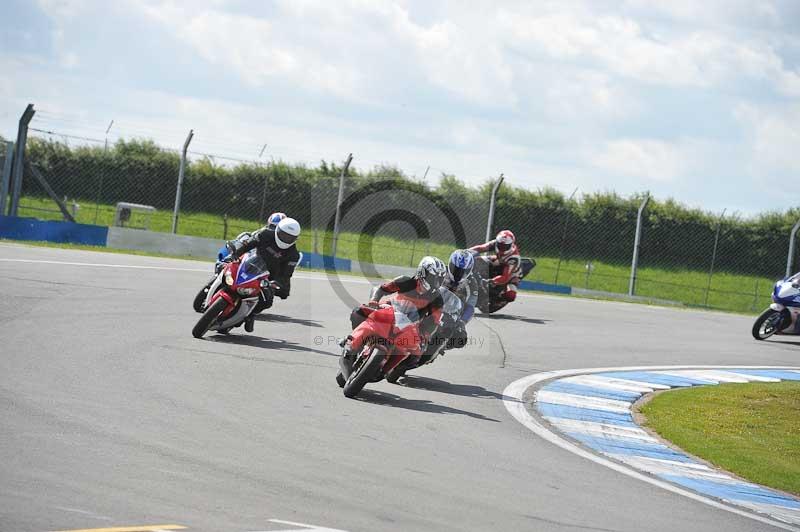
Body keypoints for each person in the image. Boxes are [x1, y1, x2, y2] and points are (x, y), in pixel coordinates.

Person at [342, 256, 447, 366]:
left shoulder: (437, 299)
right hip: (388, 312)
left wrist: (425, 334)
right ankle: (353, 343)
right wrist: (374, 301)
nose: (435, 282)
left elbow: (434, 320)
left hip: (410, 326)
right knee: (358, 312)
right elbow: (381, 289)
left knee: (416, 355)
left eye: (439, 280)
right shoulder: (405, 281)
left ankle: (393, 368)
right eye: (433, 278)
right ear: (422, 272)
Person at [226, 217, 302, 331]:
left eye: (290, 237)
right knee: (228, 268)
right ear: (277, 230)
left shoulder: (293, 255)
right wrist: (236, 253)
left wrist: (277, 284)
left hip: (266, 278)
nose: (286, 239)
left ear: (295, 239)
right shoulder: (265, 234)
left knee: (266, 301)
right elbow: (248, 245)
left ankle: (249, 315)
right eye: (284, 235)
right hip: (250, 263)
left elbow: (286, 275)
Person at [469, 229, 521, 303]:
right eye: (500, 245)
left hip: (511, 274)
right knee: (476, 260)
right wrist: (466, 252)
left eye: (505, 246)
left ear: (511, 244)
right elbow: (481, 248)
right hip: (499, 262)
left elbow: (505, 276)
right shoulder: (496, 243)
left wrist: (491, 281)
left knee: (510, 295)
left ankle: (498, 300)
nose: (502, 248)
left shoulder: (514, 257)